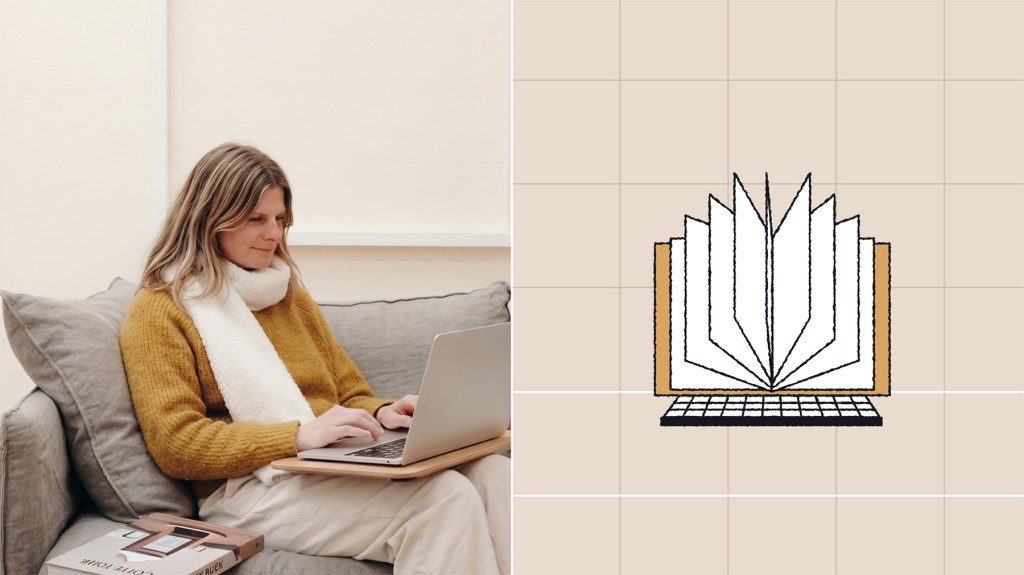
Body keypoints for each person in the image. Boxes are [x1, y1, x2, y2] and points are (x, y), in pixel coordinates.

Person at [120, 142, 510, 575]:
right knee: (442, 500)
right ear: (210, 218)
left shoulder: (289, 296)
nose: (274, 234)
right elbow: (177, 445)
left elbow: (349, 393)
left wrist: (384, 412)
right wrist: (297, 437)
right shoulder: (161, 308)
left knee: (497, 475)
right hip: (249, 489)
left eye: (280, 219)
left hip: (328, 462)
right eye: (257, 219)